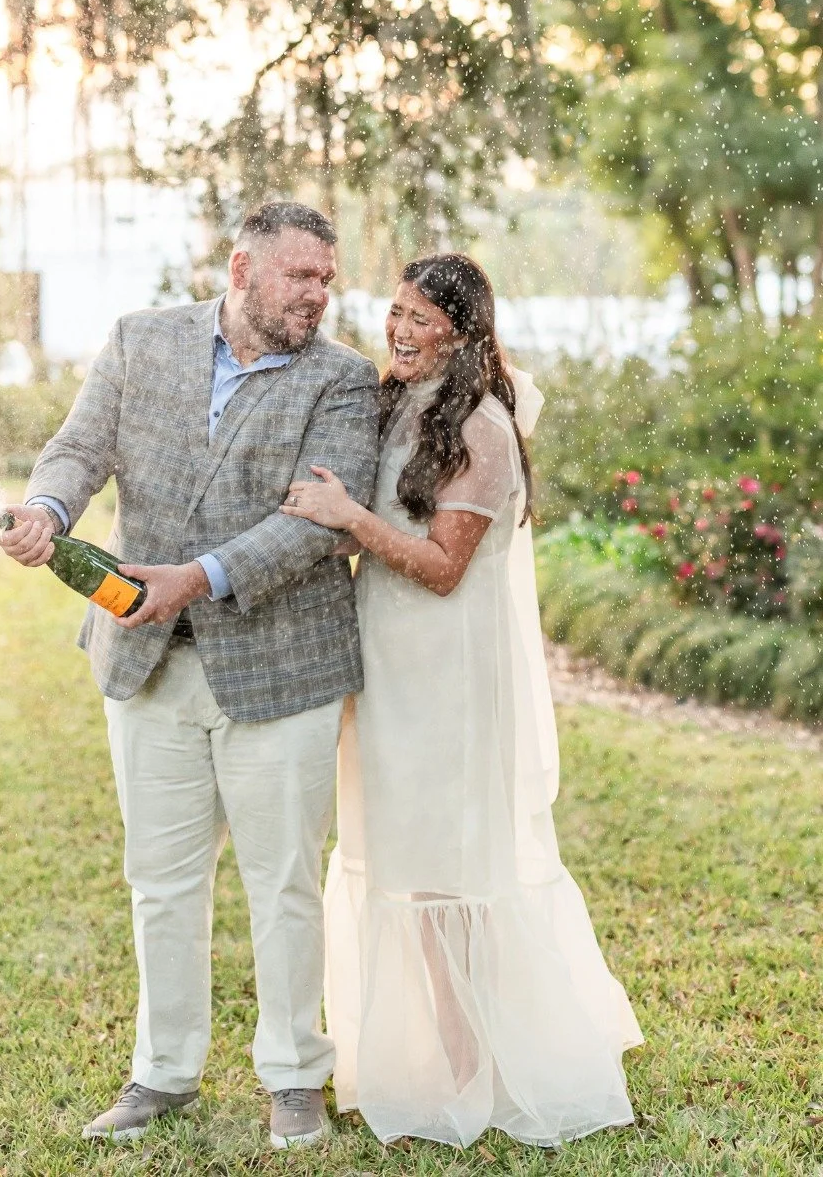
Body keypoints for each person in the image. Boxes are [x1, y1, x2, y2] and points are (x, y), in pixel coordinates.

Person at [0, 202, 379, 1148]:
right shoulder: (142, 340)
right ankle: (163, 1074)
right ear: (243, 270)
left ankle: (294, 1076)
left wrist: (198, 579)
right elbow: (82, 449)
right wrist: (48, 507)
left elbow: (313, 525)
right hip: (144, 662)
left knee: (282, 880)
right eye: (302, 276)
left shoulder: (342, 380)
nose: (319, 295)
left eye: (327, 278)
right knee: (159, 880)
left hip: (282, 668)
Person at [281, 252, 643, 1149]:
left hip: (445, 679)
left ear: (463, 333)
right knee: (400, 862)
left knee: (445, 874)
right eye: (395, 312)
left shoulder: (480, 427)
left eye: (421, 320)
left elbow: (443, 568)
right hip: (386, 671)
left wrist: (351, 522)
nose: (400, 331)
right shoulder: (398, 401)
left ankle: (470, 1072)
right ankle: (427, 1058)